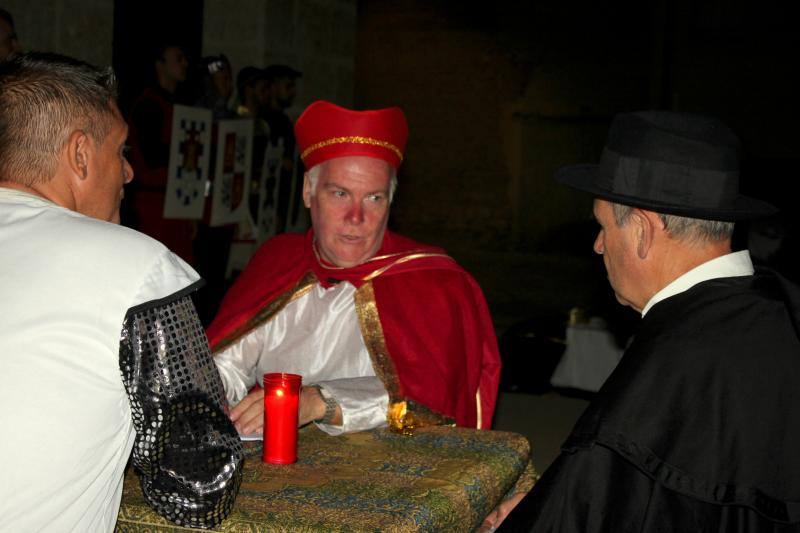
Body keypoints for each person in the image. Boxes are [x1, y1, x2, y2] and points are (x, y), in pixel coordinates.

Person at [499, 111, 800, 532]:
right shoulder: (780, 305)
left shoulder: (674, 360)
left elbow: (590, 506)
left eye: (603, 226)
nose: (599, 245)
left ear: (641, 230)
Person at [0, 52, 243, 531]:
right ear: (80, 154)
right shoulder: (136, 268)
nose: (128, 172)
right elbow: (199, 486)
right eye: (121, 151)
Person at [206, 100, 502, 438]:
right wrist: (205, 398)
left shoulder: (435, 283)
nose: (356, 218)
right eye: (340, 194)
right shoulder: (277, 262)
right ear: (308, 191)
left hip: (390, 465)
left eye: (374, 198)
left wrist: (319, 402)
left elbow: (433, 399)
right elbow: (225, 364)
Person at [126, 43, 195, 263]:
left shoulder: (177, 105)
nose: (185, 64)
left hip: (175, 203)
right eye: (178, 58)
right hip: (155, 208)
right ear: (160, 64)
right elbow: (152, 157)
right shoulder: (149, 105)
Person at [263, 63, 302, 232]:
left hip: (281, 198)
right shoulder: (263, 120)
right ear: (273, 87)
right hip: (268, 199)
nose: (292, 92)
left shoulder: (284, 121)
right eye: (288, 86)